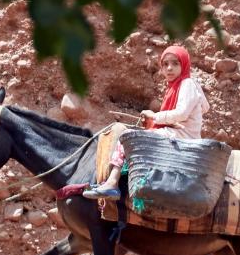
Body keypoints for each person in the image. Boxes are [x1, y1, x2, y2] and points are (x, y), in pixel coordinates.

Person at [84, 45, 210, 200]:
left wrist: (154, 117)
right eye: (165, 64)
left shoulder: (187, 84)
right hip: (178, 133)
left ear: (184, 65)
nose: (169, 68)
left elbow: (182, 113)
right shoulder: (178, 86)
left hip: (182, 137)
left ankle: (112, 182)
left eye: (175, 63)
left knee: (127, 137)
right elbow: (195, 112)